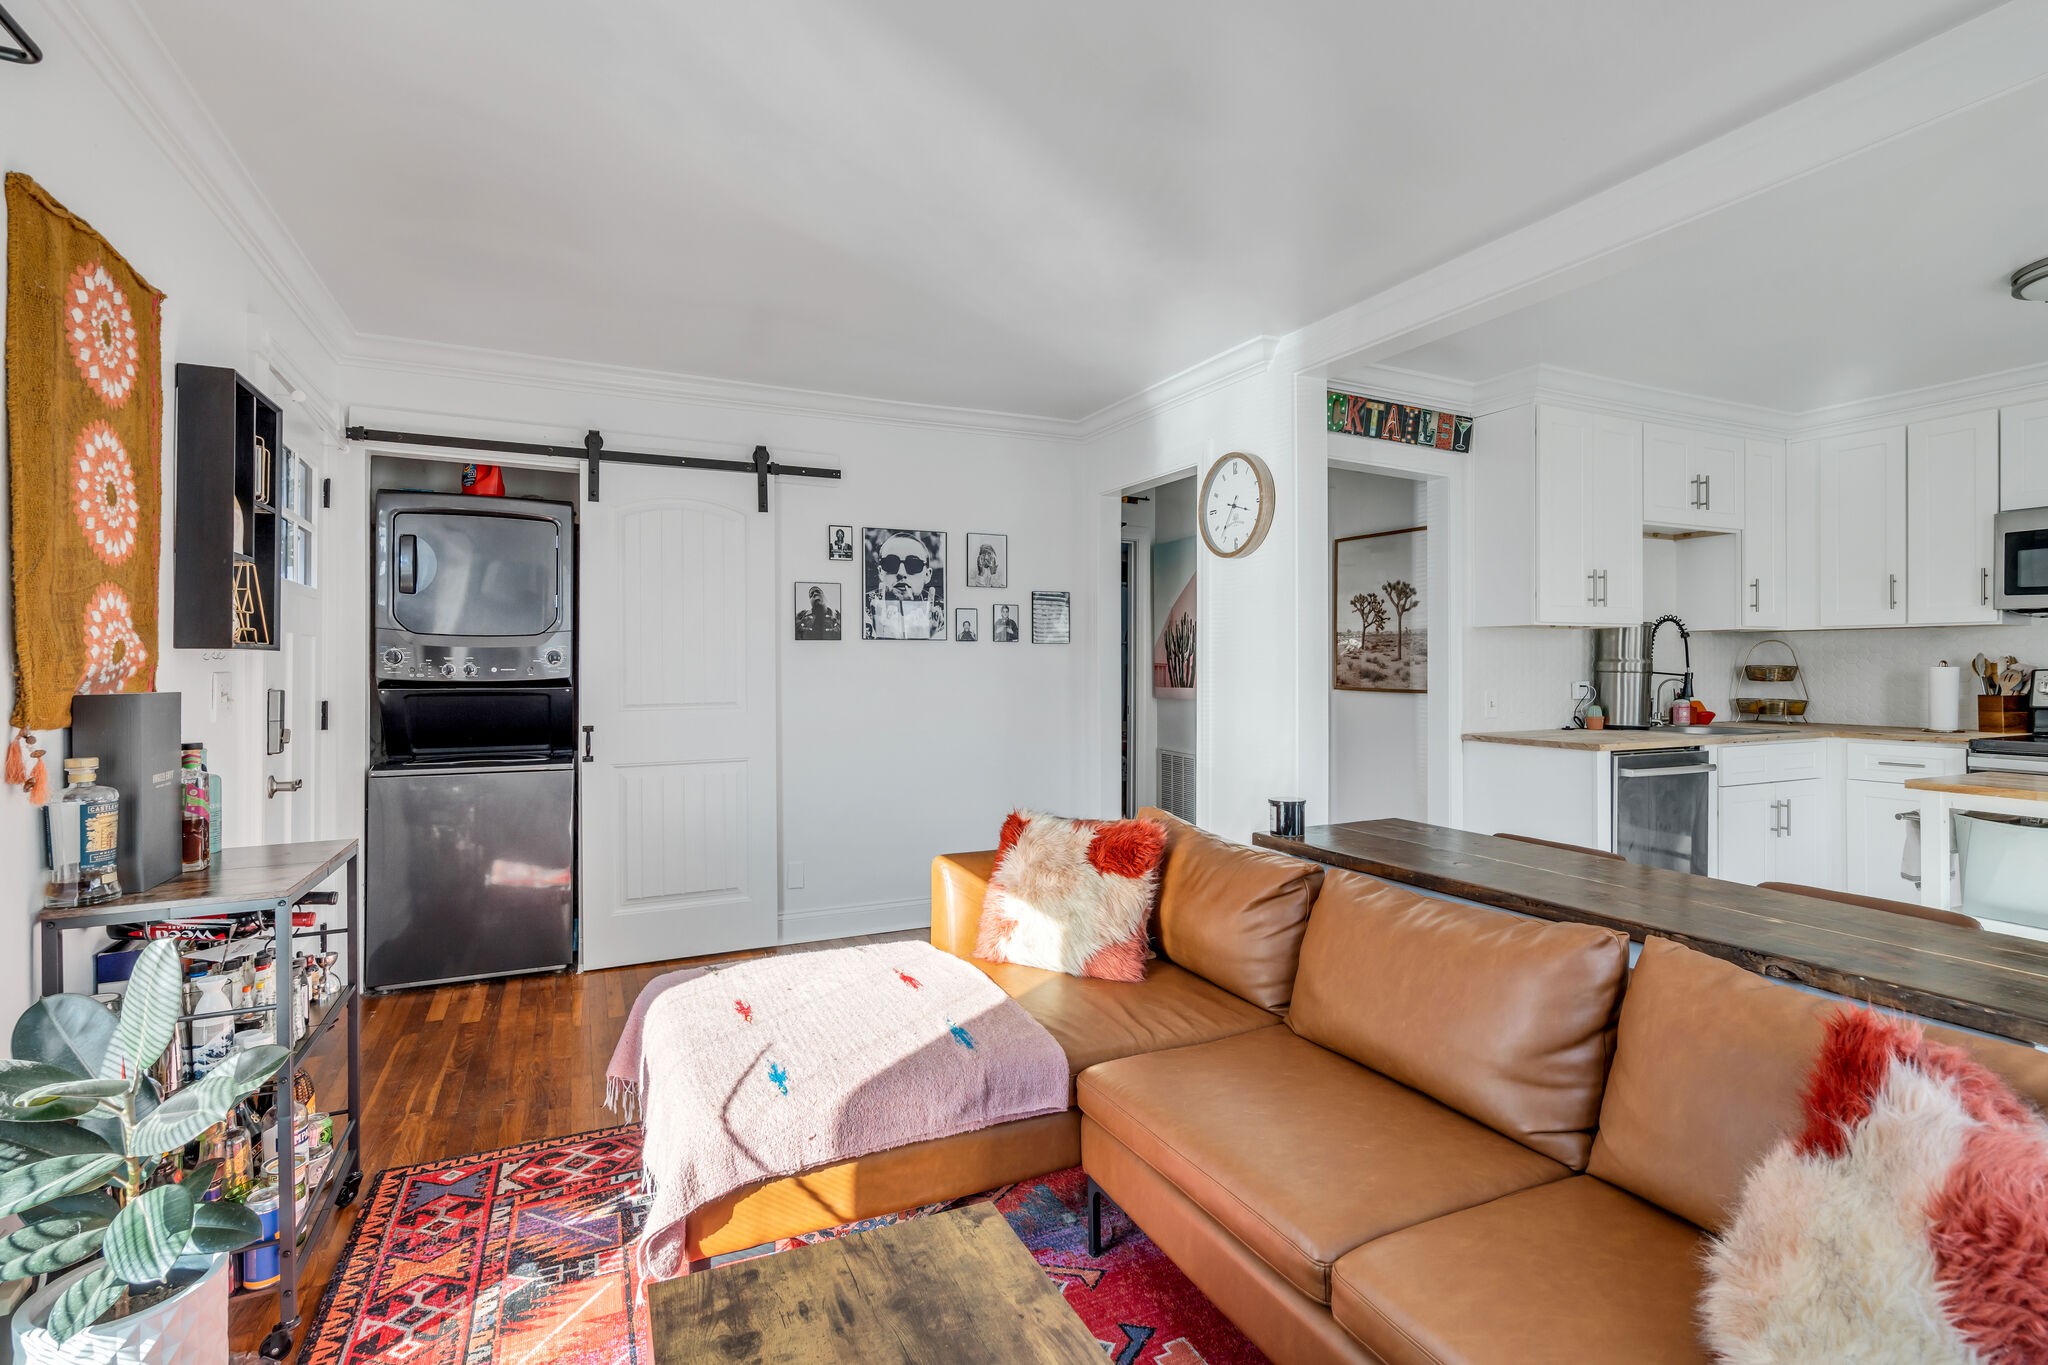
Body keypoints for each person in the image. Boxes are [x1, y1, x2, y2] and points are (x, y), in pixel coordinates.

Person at [865, 532, 942, 639]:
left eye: (913, 564)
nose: (901, 573)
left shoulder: (940, 614)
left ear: (927, 575)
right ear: (880, 572)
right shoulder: (862, 608)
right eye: (891, 563)